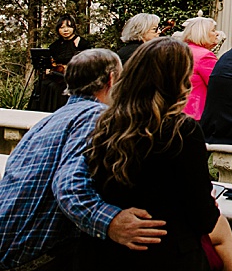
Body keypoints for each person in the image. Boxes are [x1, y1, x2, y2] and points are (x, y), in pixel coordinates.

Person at [0, 50, 168, 270]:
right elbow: (68, 185)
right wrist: (111, 222)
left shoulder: (49, 121)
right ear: (112, 79)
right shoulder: (96, 116)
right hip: (29, 258)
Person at [86, 39, 232, 271]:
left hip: (112, 253)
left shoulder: (106, 126)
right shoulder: (181, 131)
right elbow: (204, 217)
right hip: (169, 251)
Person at [31, 14, 92, 112]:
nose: (66, 30)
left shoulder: (82, 43)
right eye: (62, 27)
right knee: (41, 84)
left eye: (68, 26)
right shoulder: (55, 45)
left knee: (54, 87)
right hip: (56, 75)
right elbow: (50, 62)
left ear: (73, 27)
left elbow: (86, 63)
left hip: (73, 78)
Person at [179, 17, 222, 121]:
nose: (217, 33)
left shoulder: (181, 50)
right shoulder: (205, 56)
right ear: (202, 34)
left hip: (178, 110)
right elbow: (218, 85)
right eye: (212, 30)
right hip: (196, 113)